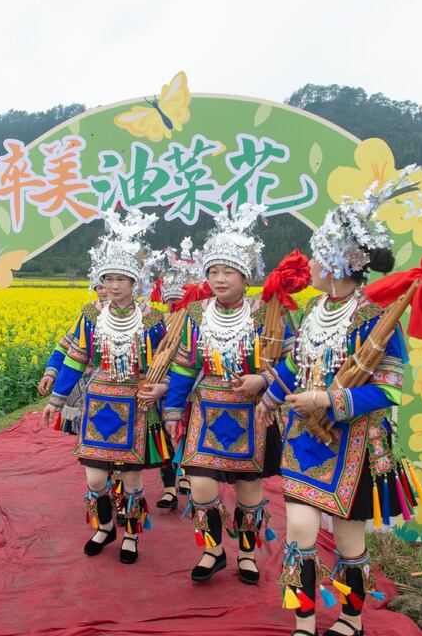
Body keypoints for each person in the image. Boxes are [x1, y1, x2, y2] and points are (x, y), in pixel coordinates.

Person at [258, 169, 420, 636]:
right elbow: (297, 363)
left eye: (317, 256)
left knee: (349, 542)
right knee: (299, 533)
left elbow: (388, 389)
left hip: (355, 443)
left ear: (338, 262)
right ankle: (304, 622)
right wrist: (271, 395)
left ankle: (351, 618)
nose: (310, 264)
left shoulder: (376, 318)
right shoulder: (314, 310)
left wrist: (327, 398)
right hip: (304, 441)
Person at [142, 204, 290, 586]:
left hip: (252, 414)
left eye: (228, 272)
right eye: (213, 272)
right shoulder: (195, 314)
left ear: (245, 275)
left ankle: (246, 554)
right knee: (202, 486)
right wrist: (173, 410)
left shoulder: (267, 314)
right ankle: (213, 550)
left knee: (248, 491)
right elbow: (184, 366)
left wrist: (264, 380)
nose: (219, 279)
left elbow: (294, 362)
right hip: (205, 412)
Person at [41, 209, 167, 564]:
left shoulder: (153, 320)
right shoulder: (91, 315)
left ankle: (131, 534)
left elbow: (166, 364)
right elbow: (75, 358)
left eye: (121, 279)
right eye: (108, 278)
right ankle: (105, 526)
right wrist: (57, 399)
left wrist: (162, 388)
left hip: (136, 404)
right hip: (98, 403)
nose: (113, 285)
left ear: (134, 282)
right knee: (96, 479)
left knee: (131, 478)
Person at [148, 238, 202, 511]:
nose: (174, 306)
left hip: (188, 390)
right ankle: (169, 487)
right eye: (170, 301)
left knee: (189, 435)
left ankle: (189, 481)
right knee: (163, 437)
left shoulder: (197, 322)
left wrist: (172, 385)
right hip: (160, 388)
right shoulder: (160, 322)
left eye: (178, 301)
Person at [38, 279, 108, 435]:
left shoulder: (142, 314)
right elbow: (67, 346)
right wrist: (51, 372)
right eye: (100, 287)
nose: (105, 291)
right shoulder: (90, 313)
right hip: (91, 375)